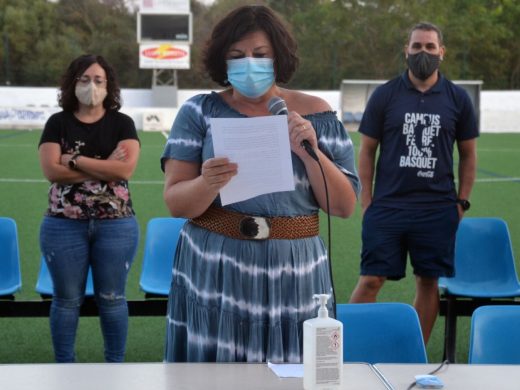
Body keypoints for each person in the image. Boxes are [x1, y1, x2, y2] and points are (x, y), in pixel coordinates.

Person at [161, 5, 359, 363]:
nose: (248, 63)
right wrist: (207, 182)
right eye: (237, 56)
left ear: (278, 57)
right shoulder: (198, 112)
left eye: (260, 54)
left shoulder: (316, 113)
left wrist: (309, 149)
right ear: (222, 61)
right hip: (215, 268)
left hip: (295, 271)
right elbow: (176, 203)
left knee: (294, 369)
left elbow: (343, 206)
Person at [349, 22, 478, 344]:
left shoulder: (458, 99)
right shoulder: (385, 95)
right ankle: (352, 347)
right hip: (389, 206)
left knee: (428, 282)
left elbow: (469, 155)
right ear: (406, 51)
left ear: (441, 53)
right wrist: (367, 201)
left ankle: (413, 351)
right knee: (371, 280)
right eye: (417, 46)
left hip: (436, 209)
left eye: (430, 47)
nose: (423, 53)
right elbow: (366, 152)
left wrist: (461, 201)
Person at [38, 54, 140, 363]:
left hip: (116, 225)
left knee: (112, 299)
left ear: (109, 86)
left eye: (98, 80)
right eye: (84, 79)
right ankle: (64, 368)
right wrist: (105, 165)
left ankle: (114, 367)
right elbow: (52, 172)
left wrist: (76, 160)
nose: (91, 86)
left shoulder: (122, 123)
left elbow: (124, 171)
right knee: (66, 301)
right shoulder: (58, 123)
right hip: (63, 224)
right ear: (73, 83)